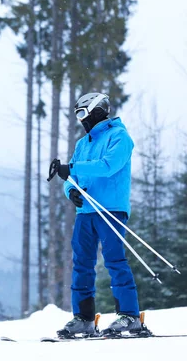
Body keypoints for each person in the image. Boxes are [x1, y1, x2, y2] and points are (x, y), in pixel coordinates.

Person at [53, 92, 142, 338]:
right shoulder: (83, 144)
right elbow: (72, 177)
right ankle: (83, 318)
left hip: (110, 209)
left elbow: (107, 166)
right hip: (86, 211)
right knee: (81, 263)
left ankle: (129, 316)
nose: (81, 120)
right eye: (77, 115)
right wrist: (70, 190)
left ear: (97, 110)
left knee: (114, 260)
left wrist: (70, 169)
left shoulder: (120, 137)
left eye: (82, 113)